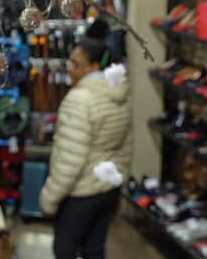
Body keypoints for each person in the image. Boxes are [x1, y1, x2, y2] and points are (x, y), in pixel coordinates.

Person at [40, 22, 132, 259]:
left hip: (80, 192)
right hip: (107, 190)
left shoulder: (79, 100)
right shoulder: (119, 96)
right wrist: (118, 180)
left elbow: (71, 159)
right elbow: (125, 146)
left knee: (65, 250)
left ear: (93, 67)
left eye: (76, 64)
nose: (70, 69)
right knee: (94, 250)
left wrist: (50, 198)